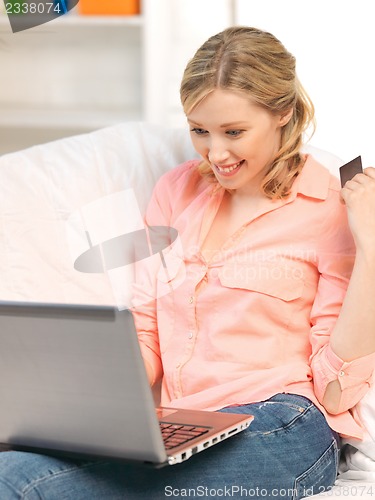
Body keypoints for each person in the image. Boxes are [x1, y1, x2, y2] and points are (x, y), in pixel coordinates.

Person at [1, 25, 375, 500]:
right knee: (12, 467)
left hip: (284, 427)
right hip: (182, 426)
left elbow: (338, 393)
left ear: (283, 112)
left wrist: (371, 251)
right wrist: (84, 410)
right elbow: (147, 333)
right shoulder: (176, 191)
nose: (215, 153)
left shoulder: (329, 206)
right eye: (199, 131)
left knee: (24, 486)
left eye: (234, 132)